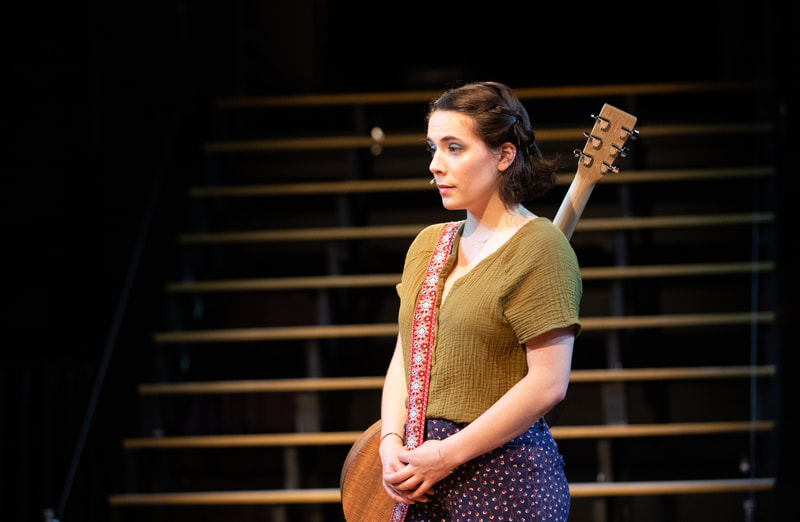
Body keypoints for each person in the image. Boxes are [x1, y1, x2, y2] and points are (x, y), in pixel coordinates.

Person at [378, 81, 582, 521]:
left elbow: (548, 384)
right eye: (433, 148)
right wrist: (390, 443)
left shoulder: (540, 246)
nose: (435, 165)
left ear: (504, 155)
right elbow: (404, 358)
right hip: (422, 478)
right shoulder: (428, 245)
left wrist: (447, 454)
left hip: (503, 479)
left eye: (454, 148)